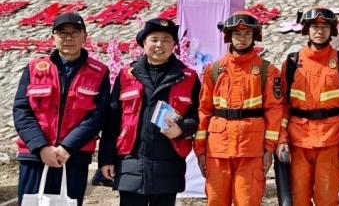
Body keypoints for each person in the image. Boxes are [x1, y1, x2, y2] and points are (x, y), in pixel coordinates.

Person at [98, 18, 200, 206]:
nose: (159, 45)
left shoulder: (188, 77)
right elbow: (112, 121)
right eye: (154, 39)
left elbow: (198, 115)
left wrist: (182, 129)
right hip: (131, 162)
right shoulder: (126, 75)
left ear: (174, 44)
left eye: (166, 40)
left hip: (168, 165)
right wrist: (105, 159)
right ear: (144, 43)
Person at [13, 13, 111, 206]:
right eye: (62, 33)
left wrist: (67, 147)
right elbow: (21, 110)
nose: (68, 38)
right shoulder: (34, 68)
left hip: (74, 156)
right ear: (53, 37)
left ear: (85, 37)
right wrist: (41, 147)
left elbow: (97, 116)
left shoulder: (99, 72)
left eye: (75, 32)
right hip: (35, 155)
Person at [195, 11, 282, 206]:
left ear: (254, 36)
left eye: (247, 34)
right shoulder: (213, 70)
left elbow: (274, 111)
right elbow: (204, 111)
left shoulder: (267, 71)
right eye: (237, 34)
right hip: (217, 150)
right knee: (216, 201)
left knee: (247, 201)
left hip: (251, 150)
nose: (242, 38)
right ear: (229, 36)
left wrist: (269, 148)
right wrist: (200, 150)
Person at [276, 7, 339, 206]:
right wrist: (281, 139)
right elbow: (282, 107)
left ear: (332, 31)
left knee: (327, 200)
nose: (320, 31)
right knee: (298, 199)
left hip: (331, 142)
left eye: (325, 27)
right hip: (298, 143)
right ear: (307, 29)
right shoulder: (292, 63)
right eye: (315, 26)